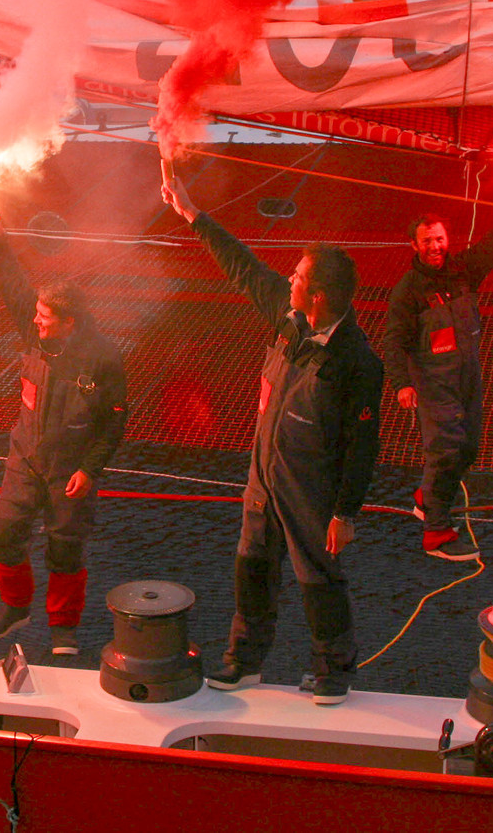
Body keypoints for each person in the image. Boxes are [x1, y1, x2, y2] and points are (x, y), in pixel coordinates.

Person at [163, 174, 381, 705]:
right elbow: (242, 266)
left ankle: (334, 670)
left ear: (319, 296)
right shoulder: (288, 321)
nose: (289, 278)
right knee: (252, 567)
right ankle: (245, 660)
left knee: (318, 580)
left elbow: (364, 445)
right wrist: (192, 212)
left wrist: (345, 512)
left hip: (313, 490)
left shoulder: (358, 362)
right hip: (263, 478)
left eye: (299, 275)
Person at [0, 204, 127, 658]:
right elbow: (12, 283)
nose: (35, 321)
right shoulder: (32, 330)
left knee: (65, 548)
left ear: (69, 322)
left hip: (70, 469)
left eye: (45, 317)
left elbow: (115, 418)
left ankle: (63, 627)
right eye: (36, 314)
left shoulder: (102, 357)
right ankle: (15, 607)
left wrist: (91, 469)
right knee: (3, 535)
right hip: (25, 456)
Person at [382, 183, 493, 561]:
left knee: (468, 448)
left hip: (468, 376)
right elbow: (393, 342)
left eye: (439, 239)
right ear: (414, 246)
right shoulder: (408, 292)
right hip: (434, 382)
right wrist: (402, 384)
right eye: (427, 241)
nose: (435, 247)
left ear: (447, 239)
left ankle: (428, 495)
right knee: (444, 451)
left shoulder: (464, 271)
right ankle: (436, 531)